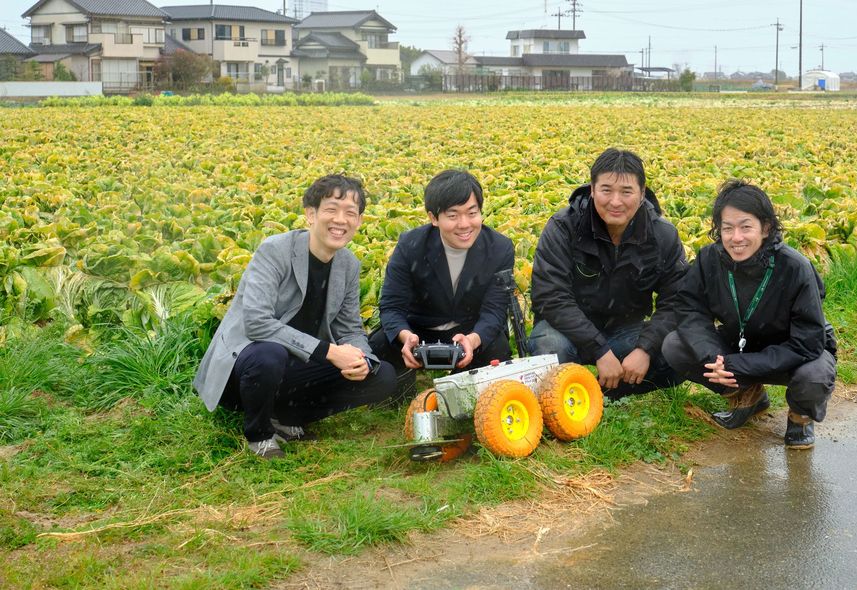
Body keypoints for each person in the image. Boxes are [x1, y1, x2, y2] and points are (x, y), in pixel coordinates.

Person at [193, 175, 396, 459]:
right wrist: (329, 351)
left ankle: (287, 416)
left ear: (359, 221)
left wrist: (361, 359)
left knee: (382, 375)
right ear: (310, 215)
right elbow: (257, 323)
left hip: (296, 367)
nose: (341, 220)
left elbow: (350, 328)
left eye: (350, 213)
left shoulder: (348, 264)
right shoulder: (275, 250)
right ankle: (259, 434)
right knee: (269, 355)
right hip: (246, 369)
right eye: (331, 210)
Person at [661, 180, 837, 449]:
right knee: (675, 346)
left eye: (746, 227)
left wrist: (737, 365)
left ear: (765, 228)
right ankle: (748, 396)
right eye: (727, 228)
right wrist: (715, 359)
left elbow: (807, 343)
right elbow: (689, 308)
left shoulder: (794, 267)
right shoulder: (710, 259)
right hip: (739, 345)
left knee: (814, 375)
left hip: (793, 353)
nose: (736, 238)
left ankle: (800, 416)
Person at [529, 148, 688, 400]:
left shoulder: (662, 234)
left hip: (626, 330)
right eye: (606, 190)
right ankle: (570, 394)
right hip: (567, 330)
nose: (615, 201)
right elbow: (551, 296)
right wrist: (600, 350)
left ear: (642, 193)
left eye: (626, 192)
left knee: (678, 351)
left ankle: (593, 395)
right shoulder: (564, 227)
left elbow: (678, 300)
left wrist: (646, 349)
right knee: (549, 349)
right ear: (592, 189)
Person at [369, 169, 514, 397]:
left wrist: (473, 339)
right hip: (418, 330)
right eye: (453, 215)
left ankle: (472, 389)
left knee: (496, 349)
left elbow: (494, 310)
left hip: (468, 330)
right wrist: (406, 337)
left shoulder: (500, 248)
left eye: (472, 213)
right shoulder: (411, 245)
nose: (464, 224)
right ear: (434, 218)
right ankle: (397, 394)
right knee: (380, 344)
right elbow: (391, 306)